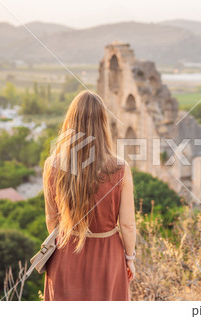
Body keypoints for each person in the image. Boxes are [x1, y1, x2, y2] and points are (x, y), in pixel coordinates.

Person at [42, 90, 136, 301]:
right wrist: (130, 258)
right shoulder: (120, 168)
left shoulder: (52, 165)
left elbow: (51, 219)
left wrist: (69, 235)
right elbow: (128, 224)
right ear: (103, 124)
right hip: (108, 257)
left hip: (65, 253)